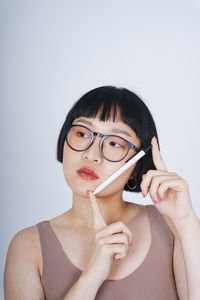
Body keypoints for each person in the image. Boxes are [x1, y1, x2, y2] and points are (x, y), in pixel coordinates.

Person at [4, 86, 200, 300]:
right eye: (81, 133)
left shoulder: (170, 225)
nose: (91, 154)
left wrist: (186, 220)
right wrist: (92, 276)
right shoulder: (28, 246)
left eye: (114, 143)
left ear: (136, 165)